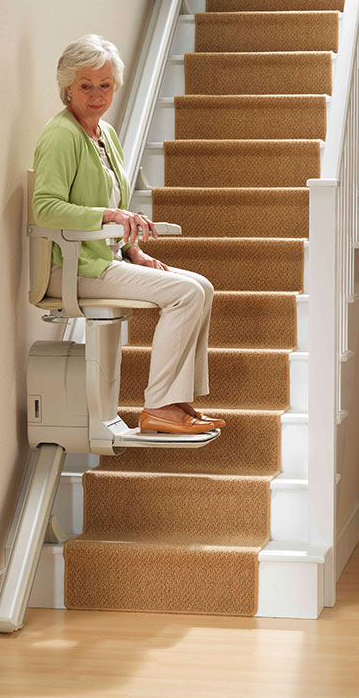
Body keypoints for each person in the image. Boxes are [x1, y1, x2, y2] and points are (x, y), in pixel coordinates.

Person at [32, 34, 223, 435]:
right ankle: (158, 407)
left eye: (105, 85)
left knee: (201, 286)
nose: (97, 95)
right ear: (67, 87)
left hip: (105, 259)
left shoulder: (107, 135)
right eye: (86, 86)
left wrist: (133, 251)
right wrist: (110, 214)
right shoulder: (60, 136)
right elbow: (45, 207)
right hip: (73, 267)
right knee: (185, 293)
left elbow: (115, 211)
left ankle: (177, 399)